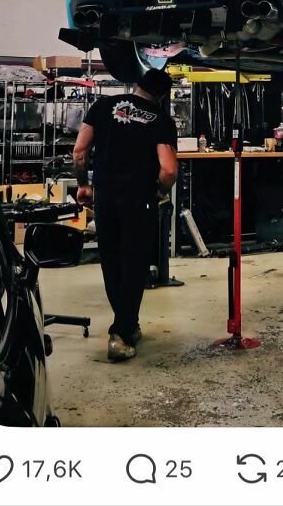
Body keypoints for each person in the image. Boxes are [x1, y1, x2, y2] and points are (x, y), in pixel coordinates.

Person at [74, 69, 178, 362]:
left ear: (136, 85)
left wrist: (83, 185)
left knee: (112, 262)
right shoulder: (161, 120)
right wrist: (160, 190)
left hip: (106, 199)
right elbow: (169, 169)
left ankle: (128, 326)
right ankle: (119, 334)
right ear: (161, 95)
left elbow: (80, 150)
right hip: (139, 200)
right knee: (134, 265)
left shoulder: (103, 106)